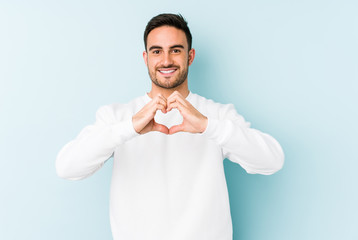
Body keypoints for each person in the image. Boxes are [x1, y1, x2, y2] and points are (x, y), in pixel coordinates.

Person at [56, 13, 284, 240]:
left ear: (190, 56)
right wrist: (129, 128)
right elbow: (67, 168)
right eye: (157, 51)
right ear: (145, 58)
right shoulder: (117, 117)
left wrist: (207, 126)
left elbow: (272, 161)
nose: (166, 60)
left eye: (175, 50)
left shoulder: (217, 115)